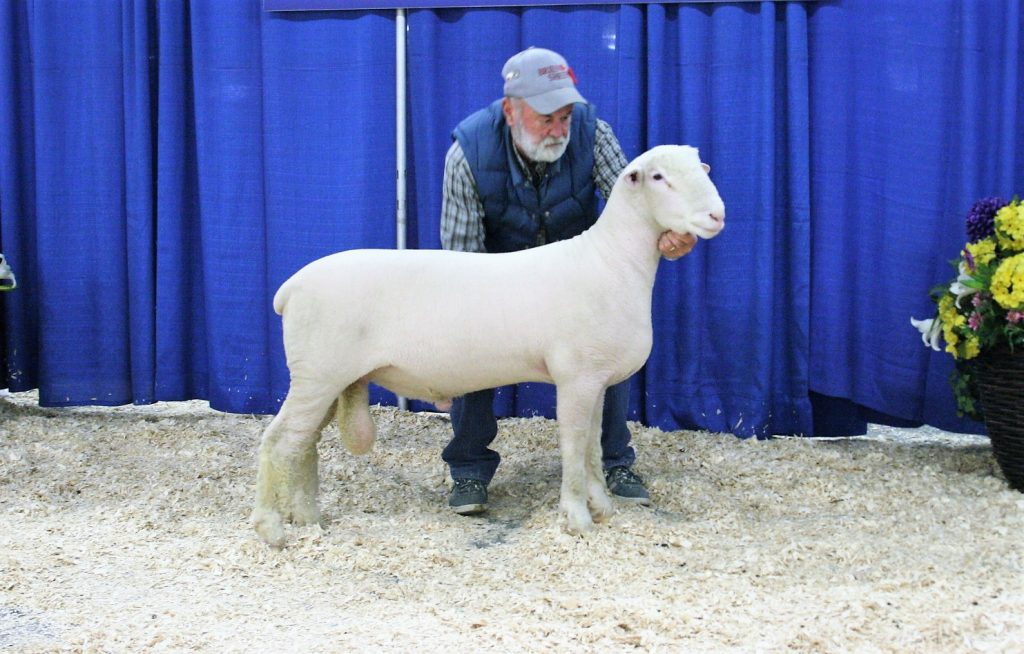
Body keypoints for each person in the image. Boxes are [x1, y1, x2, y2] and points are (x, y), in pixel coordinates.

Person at [439, 47, 697, 515]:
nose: (560, 130)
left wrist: (671, 237)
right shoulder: (467, 155)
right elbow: (461, 264)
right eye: (546, 119)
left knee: (605, 342)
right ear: (510, 111)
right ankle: (469, 468)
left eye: (565, 117)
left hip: (577, 275)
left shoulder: (593, 135)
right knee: (473, 350)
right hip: (497, 279)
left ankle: (614, 462)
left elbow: (635, 203)